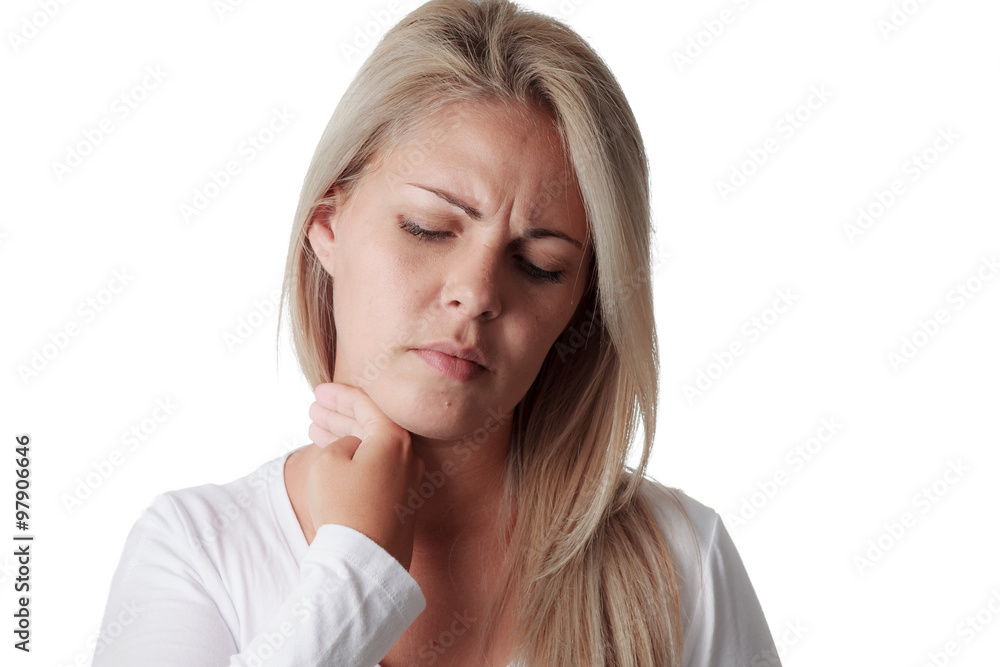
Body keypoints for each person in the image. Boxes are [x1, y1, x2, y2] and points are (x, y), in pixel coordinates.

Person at [92, 1, 781, 665]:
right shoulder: (195, 553)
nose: (477, 293)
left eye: (540, 266)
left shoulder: (683, 561)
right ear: (328, 227)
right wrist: (353, 572)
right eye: (428, 227)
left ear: (581, 305)